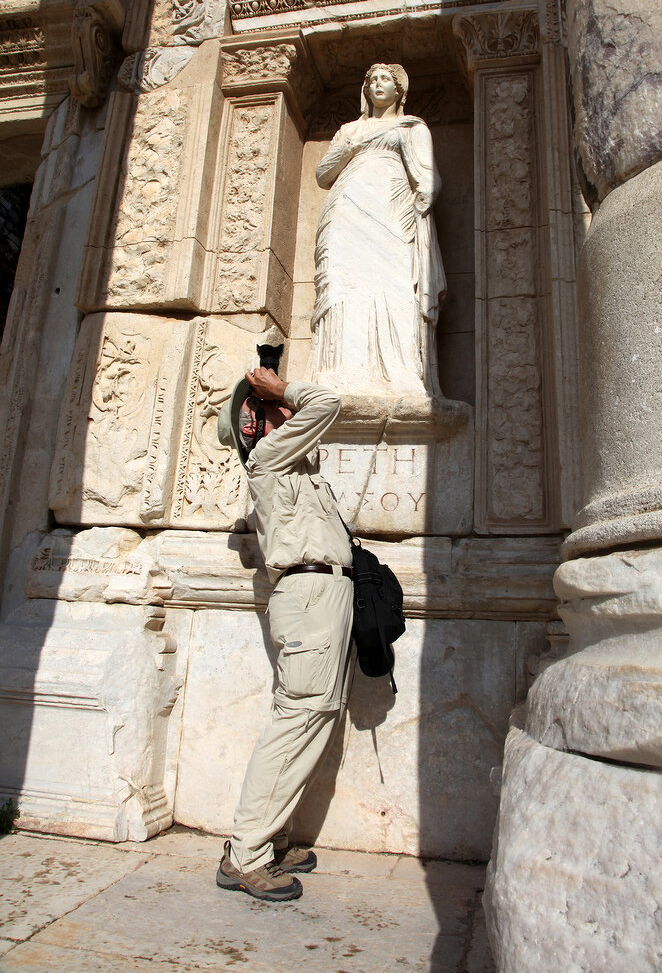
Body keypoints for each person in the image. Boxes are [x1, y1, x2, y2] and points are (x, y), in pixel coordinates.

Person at [216, 364, 354, 902]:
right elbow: (327, 404)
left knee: (309, 716)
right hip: (309, 599)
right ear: (255, 422)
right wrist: (281, 387)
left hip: (323, 600)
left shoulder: (297, 469)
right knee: (298, 718)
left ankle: (268, 837)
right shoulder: (269, 461)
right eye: (277, 407)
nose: (290, 410)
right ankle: (246, 852)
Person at [309, 62, 446, 398]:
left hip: (391, 211)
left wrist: (425, 198)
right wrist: (349, 149)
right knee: (341, 284)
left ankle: (402, 374)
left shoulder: (411, 127)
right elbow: (322, 174)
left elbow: (428, 176)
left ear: (399, 90)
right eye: (372, 80)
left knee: (394, 287)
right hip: (345, 212)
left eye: (386, 79)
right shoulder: (349, 131)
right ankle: (337, 372)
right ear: (365, 89)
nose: (378, 85)